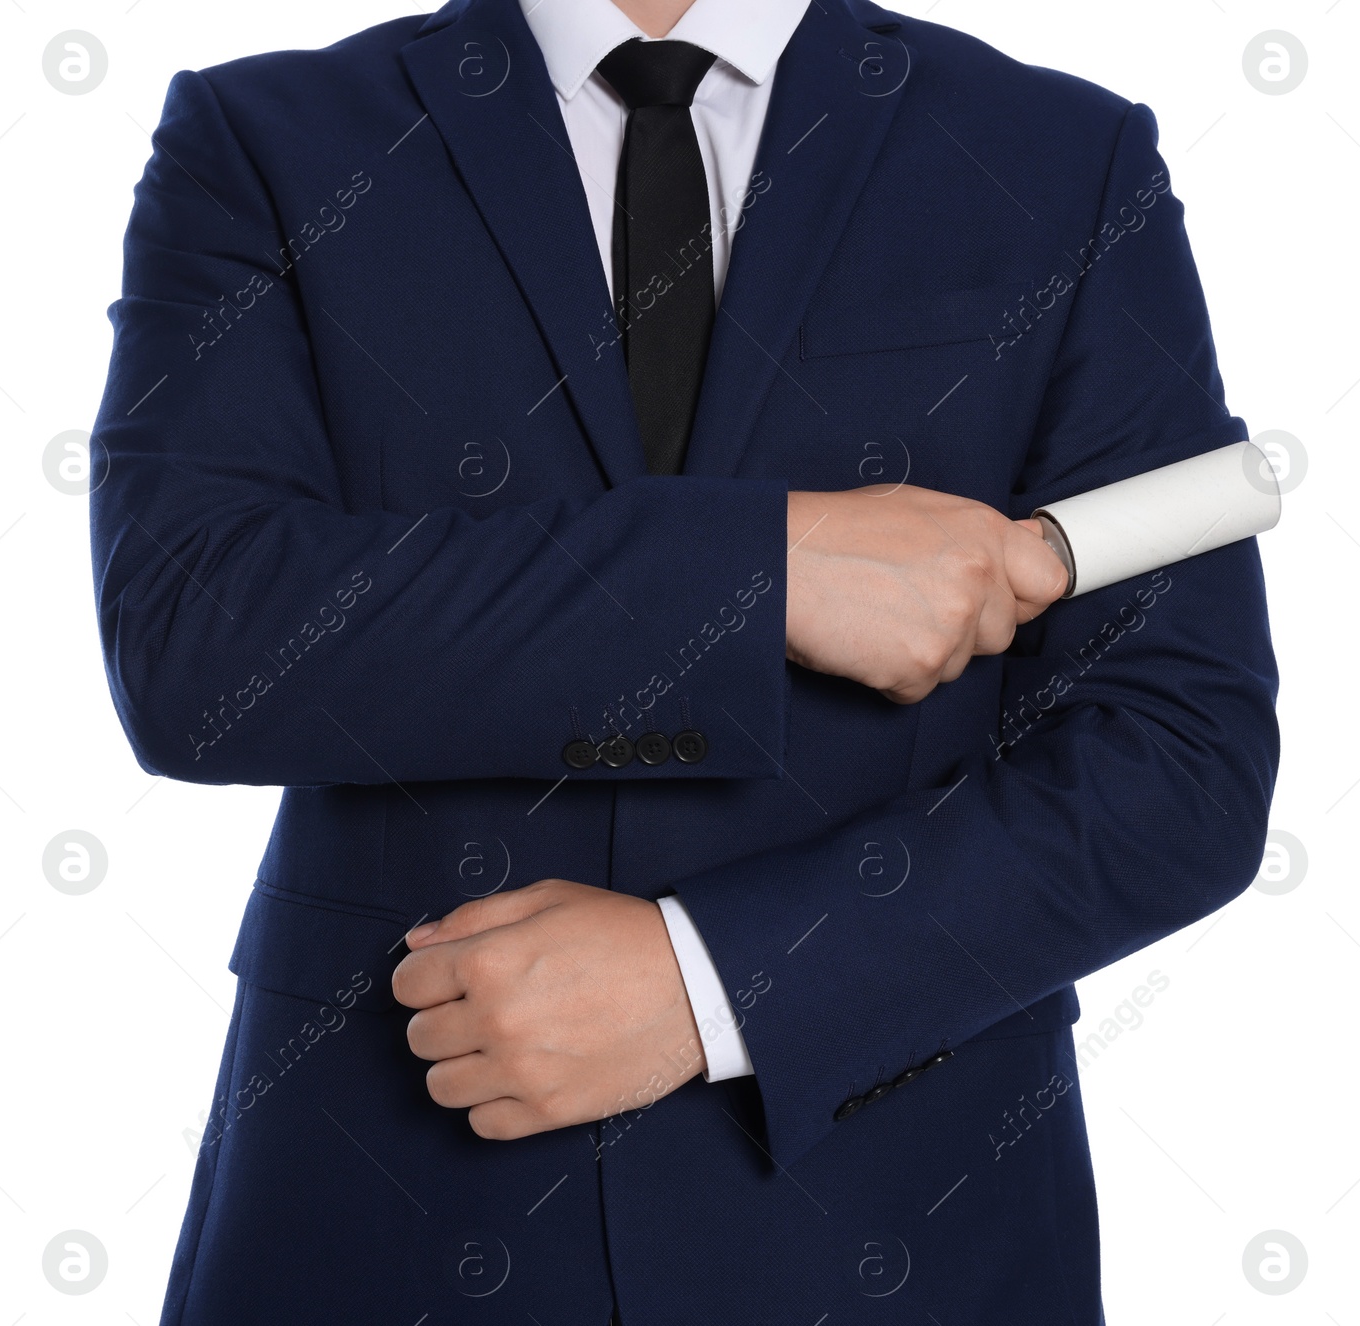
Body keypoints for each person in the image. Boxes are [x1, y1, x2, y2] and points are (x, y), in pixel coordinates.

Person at [89, 0, 1279, 1321]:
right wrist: (763, 575)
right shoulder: (263, 142)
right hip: (391, 1215)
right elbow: (196, 637)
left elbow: (1182, 764)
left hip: (899, 1229)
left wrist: (713, 980)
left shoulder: (1063, 155)